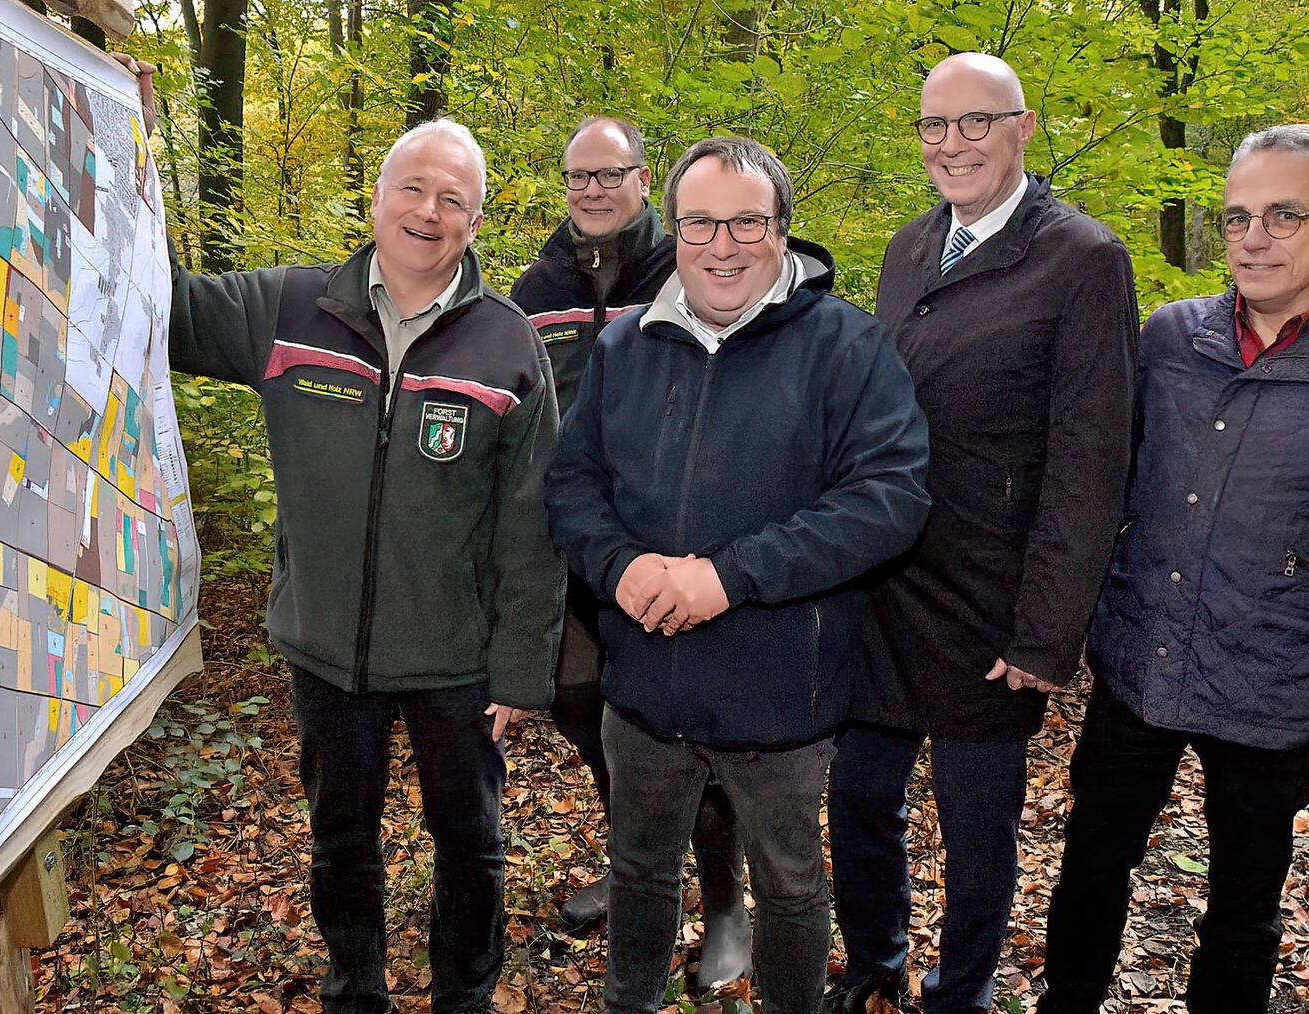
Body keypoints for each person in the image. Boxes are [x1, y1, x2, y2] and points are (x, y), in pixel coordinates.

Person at [163, 112, 565, 1013]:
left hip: (458, 661)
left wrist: (520, 670)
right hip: (326, 652)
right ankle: (356, 990)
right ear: (377, 198)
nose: (428, 211)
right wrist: (125, 140)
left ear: (476, 219)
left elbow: (534, 523)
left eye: (452, 198)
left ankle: (463, 995)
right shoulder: (289, 308)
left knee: (472, 843)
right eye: (412, 189)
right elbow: (164, 302)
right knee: (341, 840)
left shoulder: (507, 343)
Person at [547, 135, 931, 1014]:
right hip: (642, 689)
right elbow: (572, 484)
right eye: (700, 223)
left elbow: (892, 497)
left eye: (747, 222)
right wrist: (620, 565)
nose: (722, 245)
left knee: (791, 888)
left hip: (780, 693)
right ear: (672, 230)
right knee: (640, 873)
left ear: (784, 232)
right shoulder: (626, 348)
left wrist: (732, 576)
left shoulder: (848, 348)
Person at [826, 53, 1139, 1013]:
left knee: (976, 828)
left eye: (976, 122)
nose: (951, 144)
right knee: (860, 800)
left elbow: (1092, 464)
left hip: (990, 605)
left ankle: (960, 988)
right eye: (934, 126)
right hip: (886, 585)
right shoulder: (909, 246)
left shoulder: (1083, 259)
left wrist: (1047, 633)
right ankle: (876, 969)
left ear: (1024, 128)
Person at [1037, 124, 1309, 1014]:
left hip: (1273, 689)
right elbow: (1102, 477)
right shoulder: (1168, 338)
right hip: (1139, 668)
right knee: (1092, 866)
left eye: (1283, 215)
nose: (1254, 237)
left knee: (1243, 907)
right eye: (1236, 217)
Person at [510, 116, 749, 980]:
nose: (593, 190)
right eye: (578, 177)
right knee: (588, 714)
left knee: (691, 731)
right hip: (576, 553)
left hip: (673, 553)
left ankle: (726, 902)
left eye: (611, 174)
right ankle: (640, 870)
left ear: (644, 179)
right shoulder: (535, 287)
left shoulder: (690, 265)